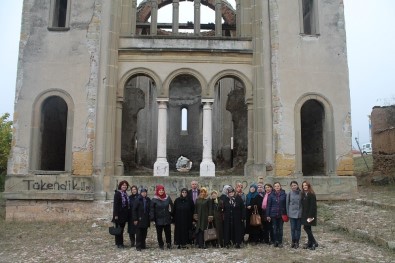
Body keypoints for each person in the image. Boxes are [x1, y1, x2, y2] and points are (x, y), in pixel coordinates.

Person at [150, 184, 174, 250]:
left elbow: (172, 206)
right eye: (160, 190)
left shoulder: (167, 197)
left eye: (162, 190)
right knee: (159, 233)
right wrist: (152, 218)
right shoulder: (154, 199)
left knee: (168, 232)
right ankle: (161, 244)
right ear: (157, 191)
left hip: (166, 218)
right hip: (158, 219)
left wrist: (171, 214)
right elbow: (152, 209)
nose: (161, 191)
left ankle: (169, 243)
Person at [266, 182, 287, 248]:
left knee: (280, 228)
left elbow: (286, 205)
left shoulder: (284, 194)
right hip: (273, 214)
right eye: (275, 186)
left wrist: (286, 213)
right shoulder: (271, 195)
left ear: (280, 187)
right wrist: (268, 215)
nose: (277, 187)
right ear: (274, 188)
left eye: (278, 186)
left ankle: (280, 242)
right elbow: (268, 205)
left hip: (281, 214)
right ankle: (276, 241)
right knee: (275, 228)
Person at [112, 180, 130, 249]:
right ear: (120, 186)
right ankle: (119, 243)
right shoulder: (117, 193)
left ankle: (120, 242)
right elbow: (115, 205)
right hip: (118, 215)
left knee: (121, 229)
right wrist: (115, 215)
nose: (124, 186)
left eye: (125, 185)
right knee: (118, 229)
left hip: (124, 215)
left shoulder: (125, 194)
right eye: (123, 185)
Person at [301, 181, 318, 250]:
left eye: (306, 185)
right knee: (308, 228)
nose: (304, 186)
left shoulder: (311, 194)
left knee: (306, 228)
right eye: (303, 185)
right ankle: (310, 242)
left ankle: (313, 242)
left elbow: (313, 206)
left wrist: (310, 216)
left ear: (308, 186)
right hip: (305, 214)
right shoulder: (303, 194)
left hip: (310, 215)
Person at [286, 181, 302, 249]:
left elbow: (303, 204)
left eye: (295, 185)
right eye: (292, 186)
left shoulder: (301, 193)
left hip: (299, 213)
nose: (293, 187)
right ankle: (293, 241)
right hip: (291, 213)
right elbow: (287, 204)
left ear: (297, 186)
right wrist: (288, 213)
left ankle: (297, 242)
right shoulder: (289, 193)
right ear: (291, 187)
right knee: (292, 228)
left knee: (298, 229)